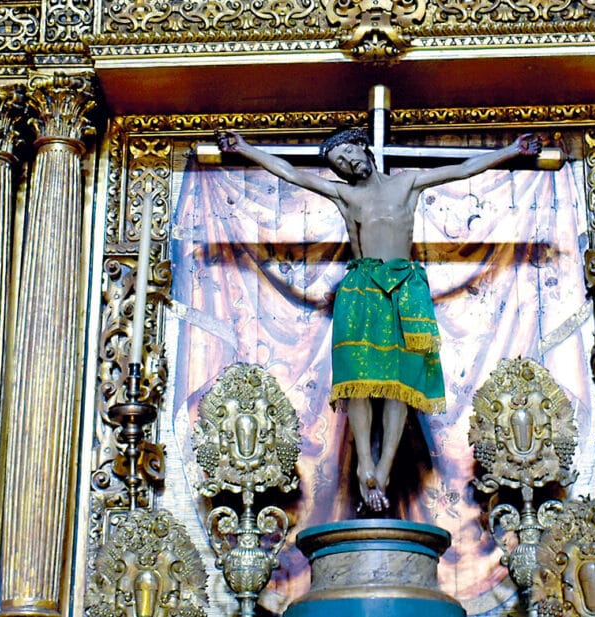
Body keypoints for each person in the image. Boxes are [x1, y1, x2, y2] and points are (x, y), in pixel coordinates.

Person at [217, 128, 541, 512]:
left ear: (363, 147)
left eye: (349, 152)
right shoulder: (346, 194)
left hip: (405, 290)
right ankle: (364, 468)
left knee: (398, 382)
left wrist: (511, 149)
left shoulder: (408, 184)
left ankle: (382, 469)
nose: (347, 162)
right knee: (358, 381)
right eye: (338, 162)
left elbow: (464, 168)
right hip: (361, 290)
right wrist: (246, 149)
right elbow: (291, 174)